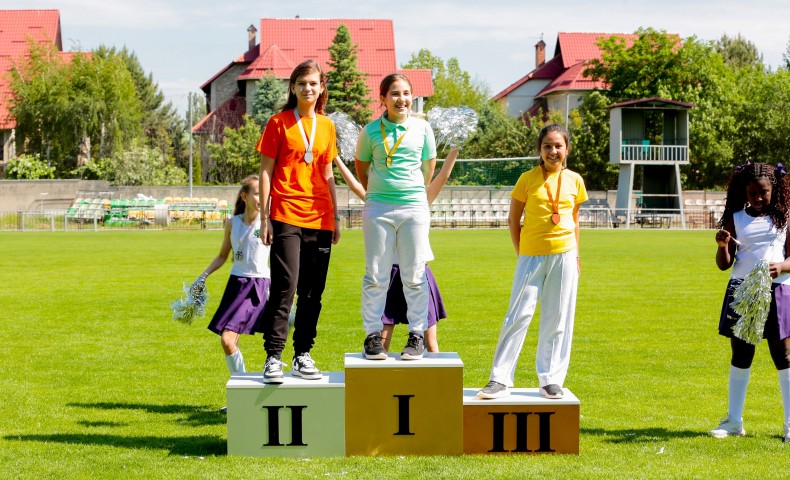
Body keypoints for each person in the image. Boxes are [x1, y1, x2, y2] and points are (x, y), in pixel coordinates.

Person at [477, 123, 587, 400]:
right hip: (531, 256)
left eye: (558, 145)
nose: (553, 151)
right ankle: (500, 379)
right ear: (539, 150)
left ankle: (551, 379)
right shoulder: (527, 179)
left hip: (564, 254)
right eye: (547, 146)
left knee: (558, 318)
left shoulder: (575, 180)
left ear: (567, 149)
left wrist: (576, 254)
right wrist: (521, 251)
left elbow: (574, 221)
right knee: (517, 315)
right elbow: (513, 220)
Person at [257, 59, 341, 383]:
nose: (308, 88)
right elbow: (266, 170)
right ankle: (273, 356)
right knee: (285, 287)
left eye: (314, 83)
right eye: (302, 83)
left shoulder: (328, 126)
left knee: (312, 292)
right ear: (293, 87)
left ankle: (302, 353)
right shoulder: (278, 123)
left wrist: (335, 214)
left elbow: (328, 172)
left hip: (319, 217)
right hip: (286, 213)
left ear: (322, 88)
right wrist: (265, 217)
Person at [335, 148, 458, 352]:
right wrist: (336, 158)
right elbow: (355, 184)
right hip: (389, 275)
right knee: (381, 342)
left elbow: (443, 175)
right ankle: (379, 381)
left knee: (430, 342)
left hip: (418, 274)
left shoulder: (420, 201)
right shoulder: (378, 202)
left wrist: (454, 148)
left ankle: (434, 383)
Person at [355, 73, 437, 360]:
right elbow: (361, 166)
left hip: (414, 208)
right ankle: (372, 336)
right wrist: (378, 193)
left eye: (406, 93)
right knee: (376, 275)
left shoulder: (423, 128)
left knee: (414, 274)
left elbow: (428, 168)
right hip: (378, 209)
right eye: (394, 94)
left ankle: (416, 335)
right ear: (383, 99)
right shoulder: (370, 132)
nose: (401, 99)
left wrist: (412, 193)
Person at [710, 161, 790, 442]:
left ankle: (789, 425)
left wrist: (781, 267)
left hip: (777, 291)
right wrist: (722, 247)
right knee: (741, 355)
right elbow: (724, 264)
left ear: (774, 189)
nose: (758, 197)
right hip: (741, 292)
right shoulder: (735, 218)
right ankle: (734, 421)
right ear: (744, 191)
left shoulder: (785, 217)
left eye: (764, 192)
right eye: (753, 192)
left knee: (784, 357)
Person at [201, 175, 269, 380]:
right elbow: (223, 256)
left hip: (258, 285)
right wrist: (203, 277)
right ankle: (242, 394)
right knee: (230, 341)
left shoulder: (268, 222)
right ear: (244, 196)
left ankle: (242, 393)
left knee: (228, 340)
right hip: (235, 285)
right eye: (257, 193)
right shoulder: (232, 223)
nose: (261, 197)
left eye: (264, 193)